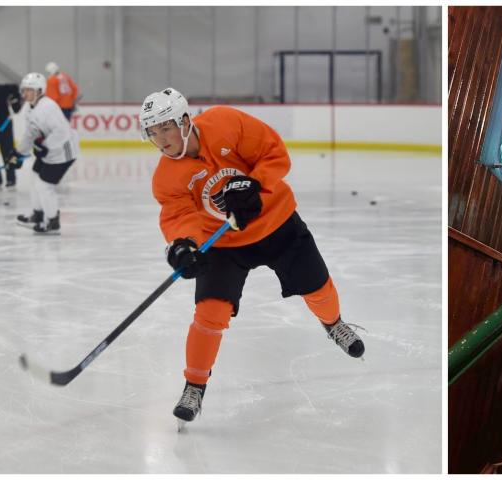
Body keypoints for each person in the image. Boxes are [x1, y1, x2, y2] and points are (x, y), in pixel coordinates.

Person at [139, 87, 365, 426]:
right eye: (153, 133)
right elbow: (179, 217)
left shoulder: (225, 122)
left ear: (185, 120)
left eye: (166, 127)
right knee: (209, 312)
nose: (161, 139)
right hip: (224, 245)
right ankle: (194, 386)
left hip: (277, 224)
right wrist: (185, 245)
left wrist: (254, 185)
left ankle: (334, 325)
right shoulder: (166, 177)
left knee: (316, 286)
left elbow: (275, 154)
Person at [10, 72, 79, 235]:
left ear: (39, 91)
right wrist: (18, 153)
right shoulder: (29, 108)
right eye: (24, 90)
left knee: (44, 186)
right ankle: (38, 213)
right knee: (34, 177)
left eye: (29, 90)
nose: (24, 93)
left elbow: (62, 132)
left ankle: (52, 221)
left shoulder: (48, 106)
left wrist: (45, 146)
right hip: (50, 151)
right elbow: (30, 133)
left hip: (64, 151)